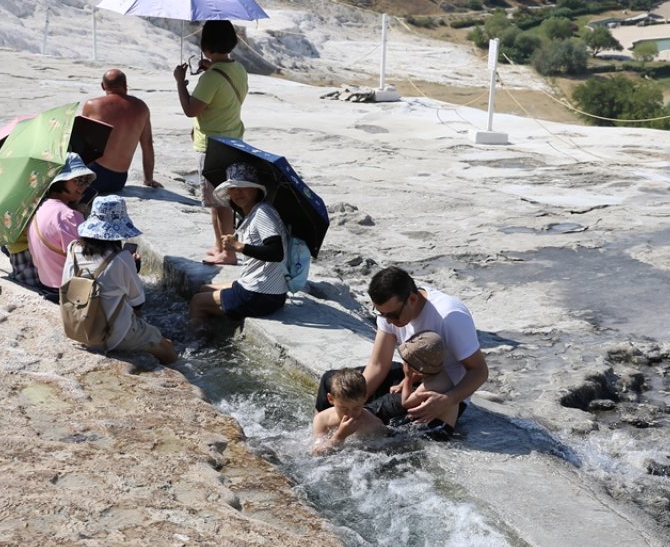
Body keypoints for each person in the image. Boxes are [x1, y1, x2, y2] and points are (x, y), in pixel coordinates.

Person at [314, 266, 488, 431]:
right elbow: (378, 366)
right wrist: (355, 399)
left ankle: (335, 444)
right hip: (411, 376)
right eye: (382, 314)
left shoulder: (449, 316)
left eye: (393, 315)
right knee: (332, 383)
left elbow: (479, 371)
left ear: (412, 299)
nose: (389, 321)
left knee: (374, 412)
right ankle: (319, 435)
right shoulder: (390, 310)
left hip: (440, 390)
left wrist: (447, 400)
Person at [62, 195, 177, 364]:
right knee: (166, 345)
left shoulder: (72, 248)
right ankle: (181, 371)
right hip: (111, 335)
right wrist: (132, 267)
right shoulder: (121, 258)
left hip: (78, 326)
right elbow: (137, 301)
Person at [173, 20, 247, 266]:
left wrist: (179, 82)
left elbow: (190, 110)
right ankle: (220, 245)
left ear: (205, 46)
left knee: (221, 203)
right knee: (218, 201)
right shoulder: (238, 69)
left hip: (213, 146)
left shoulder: (211, 78)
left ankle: (228, 252)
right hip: (233, 140)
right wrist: (211, 69)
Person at [188, 162, 288, 328]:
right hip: (266, 291)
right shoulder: (254, 212)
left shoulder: (262, 214)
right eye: (233, 188)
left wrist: (239, 246)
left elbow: (276, 252)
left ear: (256, 190)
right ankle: (213, 329)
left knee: (197, 302)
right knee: (205, 289)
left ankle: (195, 343)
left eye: (243, 187)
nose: (237, 192)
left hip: (259, 295)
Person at [80, 69, 161, 194]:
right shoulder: (142, 107)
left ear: (103, 86)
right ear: (125, 84)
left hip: (92, 177)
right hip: (118, 180)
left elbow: (82, 144)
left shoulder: (92, 105)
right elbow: (147, 146)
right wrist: (148, 179)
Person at [28, 153, 95, 289]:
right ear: (61, 180)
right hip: (68, 290)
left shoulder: (39, 207)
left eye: (86, 180)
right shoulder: (68, 216)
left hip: (46, 283)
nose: (83, 186)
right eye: (78, 180)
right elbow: (86, 261)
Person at [310, 368, 385, 455]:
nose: (350, 414)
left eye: (356, 408)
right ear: (330, 399)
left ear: (365, 398)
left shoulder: (373, 423)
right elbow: (317, 453)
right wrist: (340, 436)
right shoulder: (322, 419)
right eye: (343, 408)